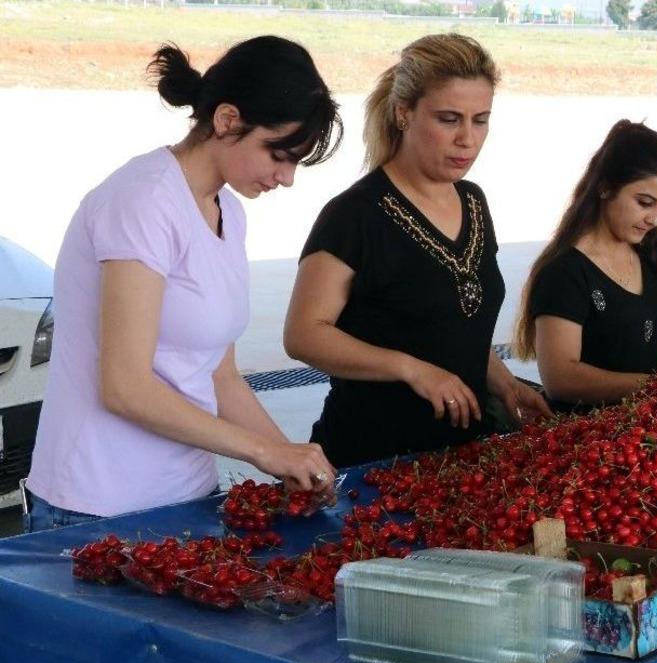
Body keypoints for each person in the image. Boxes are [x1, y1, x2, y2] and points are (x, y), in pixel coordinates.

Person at [24, 36, 342, 531]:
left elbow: (220, 375)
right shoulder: (143, 200)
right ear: (227, 120)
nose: (286, 177)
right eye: (279, 154)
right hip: (96, 503)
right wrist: (264, 453)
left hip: (187, 495)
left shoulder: (227, 210)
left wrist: (291, 459)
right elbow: (125, 387)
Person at [284, 33, 551, 468]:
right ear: (404, 113)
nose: (467, 139)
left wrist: (504, 384)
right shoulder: (354, 215)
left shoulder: (473, 202)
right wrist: (412, 369)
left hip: (460, 459)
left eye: (480, 120)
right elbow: (303, 335)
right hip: (370, 460)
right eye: (449, 119)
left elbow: (455, 327)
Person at [512, 120, 657, 413]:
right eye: (645, 202)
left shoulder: (650, 256)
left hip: (654, 429)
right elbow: (560, 379)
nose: (655, 218)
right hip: (589, 435)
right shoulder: (564, 273)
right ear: (606, 188)